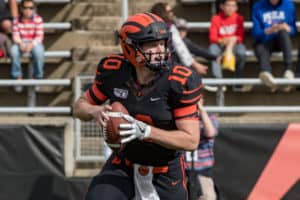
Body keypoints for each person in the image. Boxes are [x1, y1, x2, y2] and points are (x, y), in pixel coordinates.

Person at [73, 12, 203, 200]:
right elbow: (79, 107)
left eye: (162, 42)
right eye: (151, 43)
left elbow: (191, 140)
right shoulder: (114, 71)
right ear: (130, 48)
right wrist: (94, 110)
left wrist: (146, 131)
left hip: (165, 170)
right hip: (124, 163)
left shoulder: (178, 81)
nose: (160, 49)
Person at [150, 2, 208, 76]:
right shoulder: (169, 27)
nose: (172, 13)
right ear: (162, 13)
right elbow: (180, 48)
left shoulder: (151, 26)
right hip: (166, 66)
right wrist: (195, 65)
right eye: (169, 11)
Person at [252, 0, 297, 92]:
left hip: (282, 41)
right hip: (266, 40)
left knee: (283, 33)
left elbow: (294, 30)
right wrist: (270, 30)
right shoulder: (258, 6)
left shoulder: (289, 5)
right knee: (259, 46)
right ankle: (266, 72)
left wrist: (287, 28)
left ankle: (288, 70)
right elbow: (256, 33)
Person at [209, 0, 250, 92]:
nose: (231, 8)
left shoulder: (239, 18)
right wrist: (224, 41)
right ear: (222, 6)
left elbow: (240, 37)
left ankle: (238, 82)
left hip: (234, 44)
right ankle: (217, 81)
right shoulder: (216, 18)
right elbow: (213, 38)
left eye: (233, 6)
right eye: (228, 5)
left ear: (236, 8)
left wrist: (232, 41)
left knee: (242, 52)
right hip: (220, 44)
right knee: (212, 49)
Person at [174, 17, 223, 92]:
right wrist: (214, 57)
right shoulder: (174, 41)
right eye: (179, 29)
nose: (181, 32)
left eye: (183, 29)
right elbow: (197, 50)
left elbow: (198, 50)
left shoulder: (185, 41)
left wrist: (214, 57)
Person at [185, 98, 219, 200]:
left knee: (208, 197)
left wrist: (201, 111)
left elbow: (210, 133)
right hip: (183, 170)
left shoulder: (210, 118)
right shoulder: (182, 117)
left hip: (203, 170)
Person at [10, 0, 44, 92]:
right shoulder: (16, 20)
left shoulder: (38, 19)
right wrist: (20, 43)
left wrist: (31, 44)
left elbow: (39, 37)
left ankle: (37, 77)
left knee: (39, 52)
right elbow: (15, 35)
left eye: (31, 8)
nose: (28, 10)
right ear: (21, 9)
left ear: (34, 9)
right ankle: (17, 77)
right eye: (25, 8)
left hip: (34, 42)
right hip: (20, 42)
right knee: (13, 51)